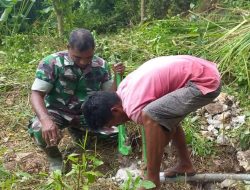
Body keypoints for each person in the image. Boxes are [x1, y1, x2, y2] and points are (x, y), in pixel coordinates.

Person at [83, 55, 221, 189]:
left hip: (203, 83)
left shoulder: (133, 107)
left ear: (115, 111)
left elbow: (161, 135)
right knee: (164, 117)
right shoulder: (124, 88)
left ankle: (153, 179)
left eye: (112, 124)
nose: (118, 126)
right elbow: (167, 128)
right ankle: (185, 164)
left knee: (150, 115)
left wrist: (150, 171)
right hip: (203, 70)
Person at [28, 28, 125, 172]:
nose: (83, 62)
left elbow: (108, 96)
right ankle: (54, 156)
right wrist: (45, 120)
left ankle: (78, 131)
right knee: (40, 129)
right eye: (78, 57)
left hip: (86, 113)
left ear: (94, 50)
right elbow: (36, 94)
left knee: (114, 134)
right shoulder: (52, 62)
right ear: (68, 48)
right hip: (57, 112)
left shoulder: (101, 65)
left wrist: (118, 77)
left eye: (88, 57)